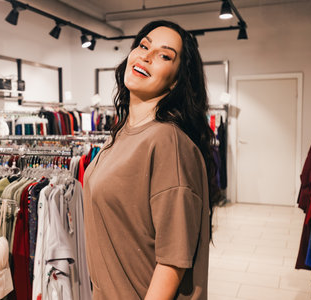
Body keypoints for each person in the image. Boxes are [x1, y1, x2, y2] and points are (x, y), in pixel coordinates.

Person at [83, 20, 219, 300]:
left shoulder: (168, 142)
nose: (146, 55)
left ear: (177, 80)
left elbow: (173, 259)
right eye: (143, 45)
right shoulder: (119, 135)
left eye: (164, 55)